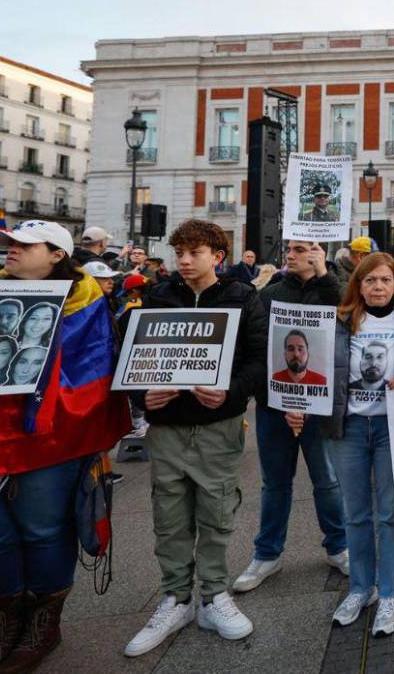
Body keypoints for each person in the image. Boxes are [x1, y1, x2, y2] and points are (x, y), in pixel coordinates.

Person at [0, 220, 129, 671]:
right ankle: (7, 625)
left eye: (25, 245)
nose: (11, 251)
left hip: (50, 439)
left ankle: (44, 623)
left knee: (43, 531)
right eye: (7, 245)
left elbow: (92, 374)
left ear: (58, 255)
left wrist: (22, 386)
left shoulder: (86, 305)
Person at [124, 220, 268, 657]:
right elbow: (130, 358)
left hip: (218, 425)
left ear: (217, 257)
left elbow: (259, 359)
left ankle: (214, 596)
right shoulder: (157, 296)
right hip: (167, 426)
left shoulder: (244, 298)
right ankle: (175, 598)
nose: (184, 261)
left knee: (217, 510)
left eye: (195, 253)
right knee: (168, 513)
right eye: (179, 253)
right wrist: (140, 394)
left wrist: (232, 392)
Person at [295, 252, 394, 634]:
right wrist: (297, 402)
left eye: (385, 280)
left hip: (392, 429)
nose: (378, 287)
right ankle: (360, 588)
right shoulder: (340, 321)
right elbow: (314, 368)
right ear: (359, 284)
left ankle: (389, 594)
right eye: (371, 280)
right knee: (356, 514)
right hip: (348, 429)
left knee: (389, 514)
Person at [233, 241, 347, 594]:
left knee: (327, 482)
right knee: (275, 484)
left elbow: (348, 317)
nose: (291, 255)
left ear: (319, 253)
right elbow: (259, 348)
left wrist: (326, 275)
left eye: (300, 249)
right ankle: (267, 554)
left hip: (320, 405)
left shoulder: (334, 287)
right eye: (289, 249)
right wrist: (285, 401)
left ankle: (339, 546)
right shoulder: (268, 295)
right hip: (274, 407)